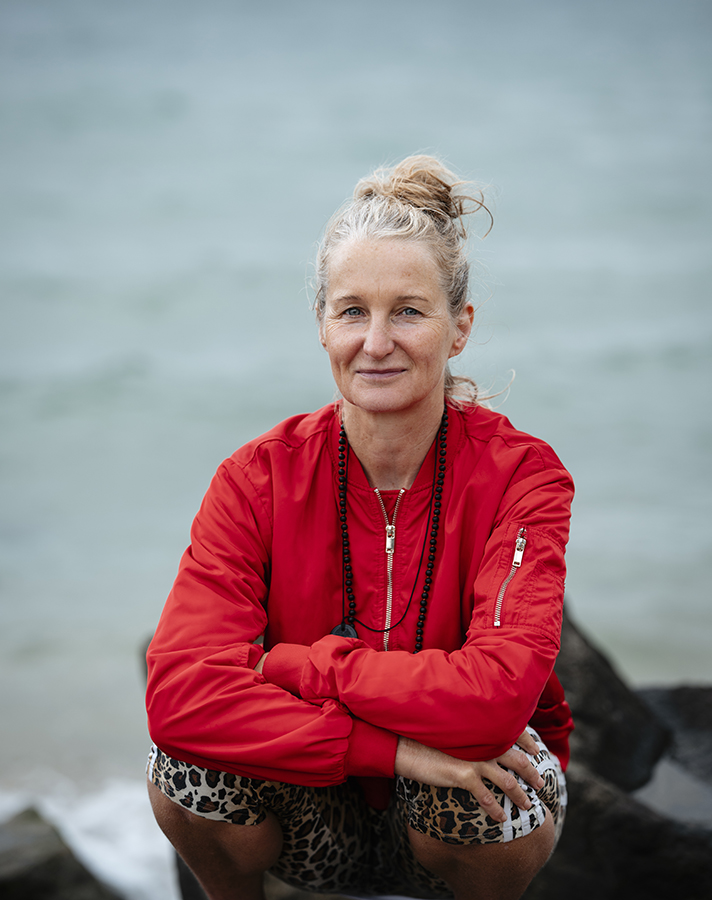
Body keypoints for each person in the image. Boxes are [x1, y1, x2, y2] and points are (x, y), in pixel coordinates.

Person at [145, 155, 574, 900]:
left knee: (496, 766)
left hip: (455, 814)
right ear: (321, 325)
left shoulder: (522, 476)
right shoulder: (257, 478)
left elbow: (496, 696)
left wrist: (298, 665)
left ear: (460, 327)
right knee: (181, 768)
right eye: (352, 311)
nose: (376, 342)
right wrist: (393, 749)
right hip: (314, 809)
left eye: (407, 310)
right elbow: (180, 693)